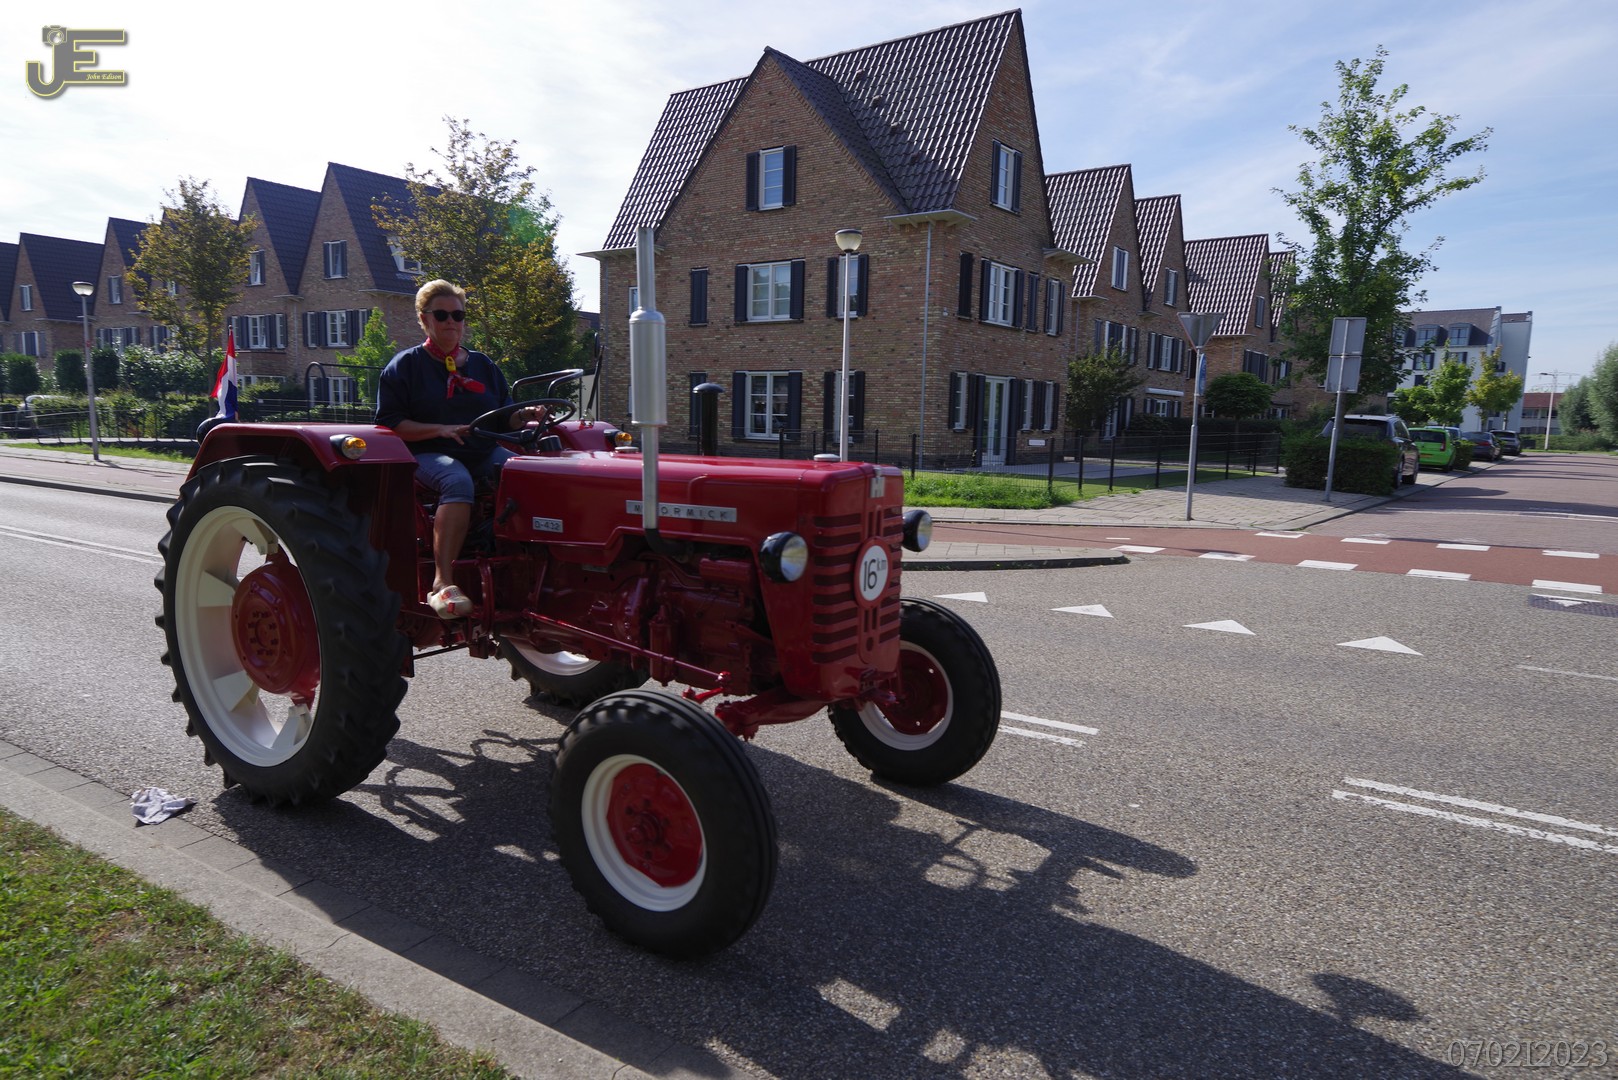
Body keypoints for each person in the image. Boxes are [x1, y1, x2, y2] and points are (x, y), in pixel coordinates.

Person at [376, 280, 546, 618]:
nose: (451, 321)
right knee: (456, 480)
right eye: (441, 315)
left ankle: (530, 567)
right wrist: (440, 429)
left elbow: (504, 417)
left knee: (528, 475)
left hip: (481, 450)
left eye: (458, 315)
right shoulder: (405, 366)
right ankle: (442, 582)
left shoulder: (483, 365)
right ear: (424, 319)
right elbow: (391, 424)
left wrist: (526, 414)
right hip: (427, 452)